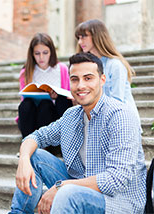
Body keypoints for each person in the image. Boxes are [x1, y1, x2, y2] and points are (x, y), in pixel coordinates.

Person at [9, 52, 146, 214]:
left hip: (118, 201)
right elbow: (37, 136)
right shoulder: (71, 115)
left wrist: (62, 186)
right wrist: (24, 159)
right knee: (34, 156)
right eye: (75, 79)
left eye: (88, 78)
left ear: (102, 80)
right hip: (80, 185)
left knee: (67, 193)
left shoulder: (120, 115)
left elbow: (116, 180)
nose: (81, 85)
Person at [18, 33, 72, 155]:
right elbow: (23, 97)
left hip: (52, 114)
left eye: (45, 53)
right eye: (37, 53)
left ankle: (45, 148)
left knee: (46, 104)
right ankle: (26, 145)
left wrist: (56, 96)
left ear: (51, 52)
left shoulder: (61, 69)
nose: (41, 57)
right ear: (32, 54)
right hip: (32, 115)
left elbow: (67, 95)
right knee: (26, 105)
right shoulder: (26, 71)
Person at [75, 19, 139, 120]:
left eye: (84, 36)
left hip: (122, 121)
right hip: (98, 120)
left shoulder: (115, 65)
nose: (79, 42)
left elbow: (117, 101)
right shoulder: (88, 66)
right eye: (78, 38)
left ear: (97, 36)